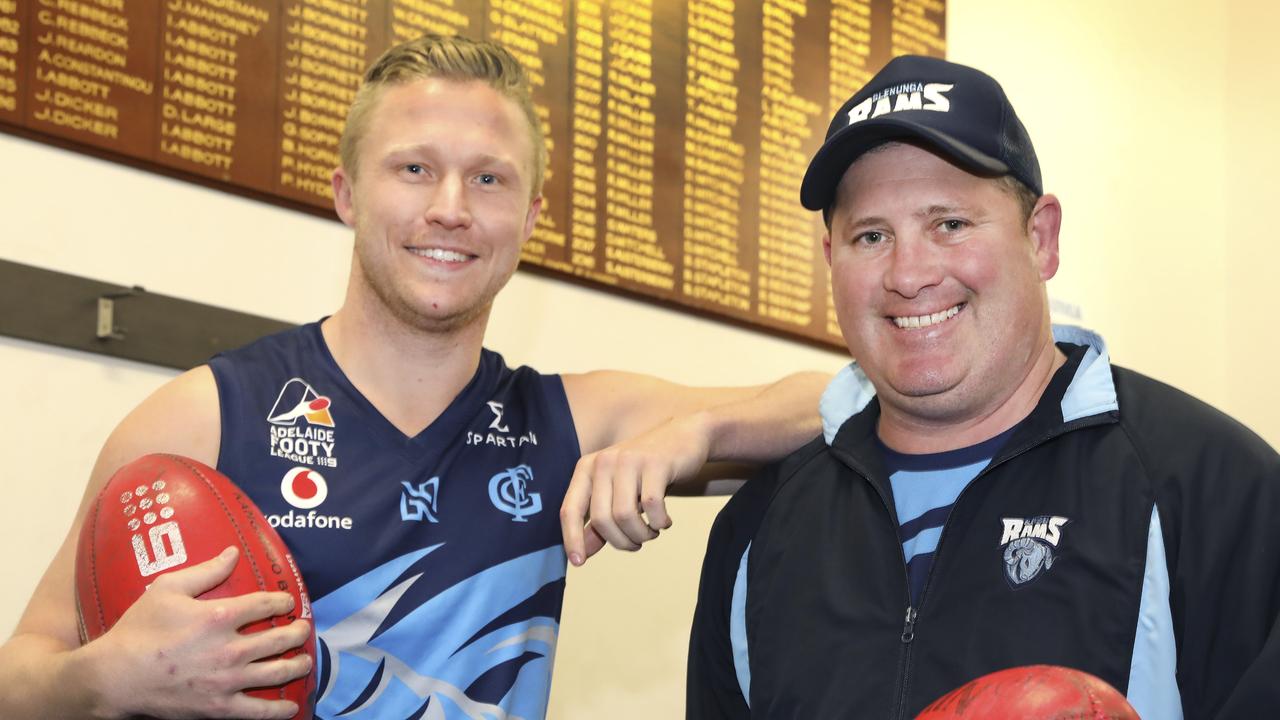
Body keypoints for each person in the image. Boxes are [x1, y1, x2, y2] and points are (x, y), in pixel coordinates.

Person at [0, 36, 827, 720]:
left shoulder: (571, 419)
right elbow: (21, 672)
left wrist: (699, 432)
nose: (453, 208)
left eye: (491, 178)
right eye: (414, 169)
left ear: (531, 219)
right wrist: (102, 679)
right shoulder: (204, 419)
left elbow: (836, 401)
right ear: (346, 194)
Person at [687, 54, 1280, 719]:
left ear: (1042, 238)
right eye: (872, 235)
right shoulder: (758, 528)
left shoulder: (1214, 487)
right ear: (831, 259)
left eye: (951, 224)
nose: (908, 275)